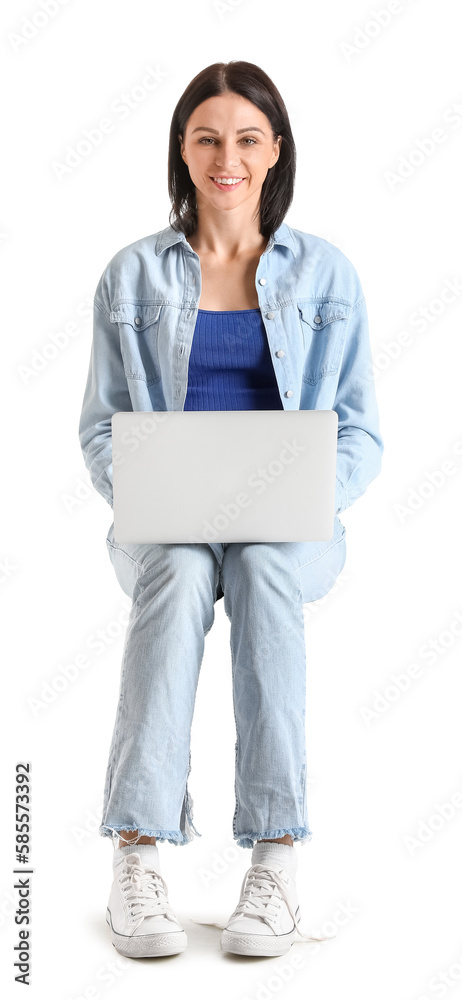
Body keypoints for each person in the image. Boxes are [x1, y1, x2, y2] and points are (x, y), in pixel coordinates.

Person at [78, 60, 384, 960]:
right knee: (175, 568)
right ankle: (135, 856)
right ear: (183, 148)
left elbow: (361, 431)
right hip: (166, 521)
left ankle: (276, 859)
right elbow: (100, 427)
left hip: (285, 527)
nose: (228, 157)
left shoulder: (327, 275)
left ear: (275, 151)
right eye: (208, 137)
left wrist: (302, 497)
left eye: (248, 138)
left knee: (261, 564)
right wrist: (141, 487)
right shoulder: (131, 276)